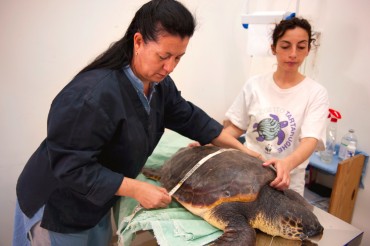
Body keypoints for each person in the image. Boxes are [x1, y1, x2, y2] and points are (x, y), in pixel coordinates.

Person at [13, 0, 260, 245]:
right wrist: (136, 189)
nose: (170, 67)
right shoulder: (89, 96)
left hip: (95, 203)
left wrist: (246, 152)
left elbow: (192, 118)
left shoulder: (158, 85)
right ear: (138, 41)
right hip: (58, 208)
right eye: (164, 56)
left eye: (178, 58)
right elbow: (71, 166)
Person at [224, 17, 329, 196]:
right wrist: (208, 139)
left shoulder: (316, 93)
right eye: (286, 46)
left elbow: (310, 140)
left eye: (301, 47)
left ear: (308, 50)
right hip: (247, 175)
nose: (293, 53)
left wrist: (285, 164)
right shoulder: (254, 85)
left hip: (287, 183)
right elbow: (235, 126)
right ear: (274, 48)